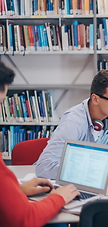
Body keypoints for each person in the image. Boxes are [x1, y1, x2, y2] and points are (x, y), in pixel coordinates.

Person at [0, 62, 80, 227]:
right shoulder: (73, 119)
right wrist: (60, 197)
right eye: (1, 102)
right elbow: (24, 219)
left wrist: (18, 191)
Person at [35, 70, 108, 180]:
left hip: (91, 180)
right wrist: (96, 170)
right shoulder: (73, 122)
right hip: (62, 183)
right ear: (95, 99)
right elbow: (43, 167)